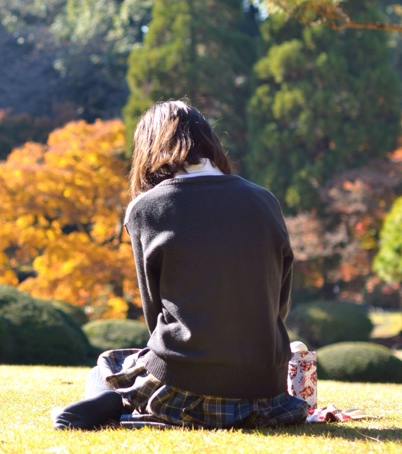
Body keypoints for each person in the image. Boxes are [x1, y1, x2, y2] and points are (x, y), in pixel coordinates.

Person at [52, 100, 309, 429]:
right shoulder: (264, 200)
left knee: (108, 363)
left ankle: (117, 402)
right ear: (209, 141)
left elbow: (153, 311)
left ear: (147, 147)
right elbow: (280, 301)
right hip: (266, 391)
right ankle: (124, 404)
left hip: (184, 386)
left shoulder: (147, 208)